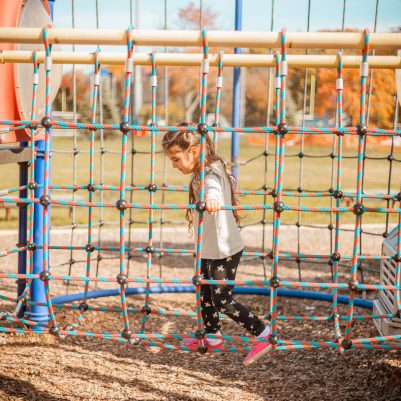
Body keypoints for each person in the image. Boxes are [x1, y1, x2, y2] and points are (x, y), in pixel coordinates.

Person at [162, 122, 272, 366]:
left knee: (221, 299)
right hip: (210, 247)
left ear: (194, 152)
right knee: (205, 294)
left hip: (224, 249)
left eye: (176, 159)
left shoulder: (210, 171)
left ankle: (263, 334)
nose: (174, 165)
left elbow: (213, 187)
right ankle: (212, 339)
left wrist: (212, 198)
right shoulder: (206, 169)